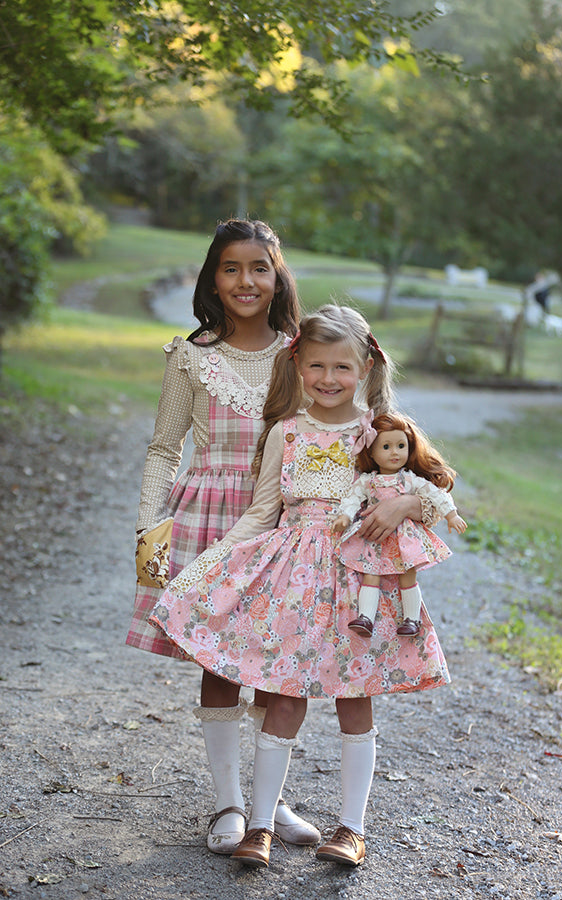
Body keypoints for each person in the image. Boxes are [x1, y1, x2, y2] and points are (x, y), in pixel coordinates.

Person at [149, 305, 450, 869]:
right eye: (317, 366)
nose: (329, 379)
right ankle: (259, 825)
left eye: (342, 367)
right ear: (298, 365)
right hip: (293, 585)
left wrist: (407, 502)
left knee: (355, 701)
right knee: (283, 698)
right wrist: (210, 566)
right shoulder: (285, 431)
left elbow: (438, 495)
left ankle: (352, 829)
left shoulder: (379, 432)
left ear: (364, 367)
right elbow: (262, 512)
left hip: (363, 583)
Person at [126, 219, 320, 854]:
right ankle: (228, 805)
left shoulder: (299, 353)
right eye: (231, 269)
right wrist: (148, 524)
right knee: (218, 663)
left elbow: (339, 427)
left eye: (259, 268)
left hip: (283, 525)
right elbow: (163, 446)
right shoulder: (192, 355)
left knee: (275, 662)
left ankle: (272, 800)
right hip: (209, 519)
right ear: (213, 277)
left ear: (277, 276)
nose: (246, 281)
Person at [332, 411, 467, 638]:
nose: (394, 452)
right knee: (370, 573)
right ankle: (366, 617)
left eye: (400, 446)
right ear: (372, 452)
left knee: (408, 575)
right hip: (375, 535)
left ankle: (412, 619)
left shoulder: (409, 479)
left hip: (404, 537)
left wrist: (451, 514)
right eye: (386, 447)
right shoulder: (368, 480)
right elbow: (353, 498)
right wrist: (345, 516)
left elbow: (435, 494)